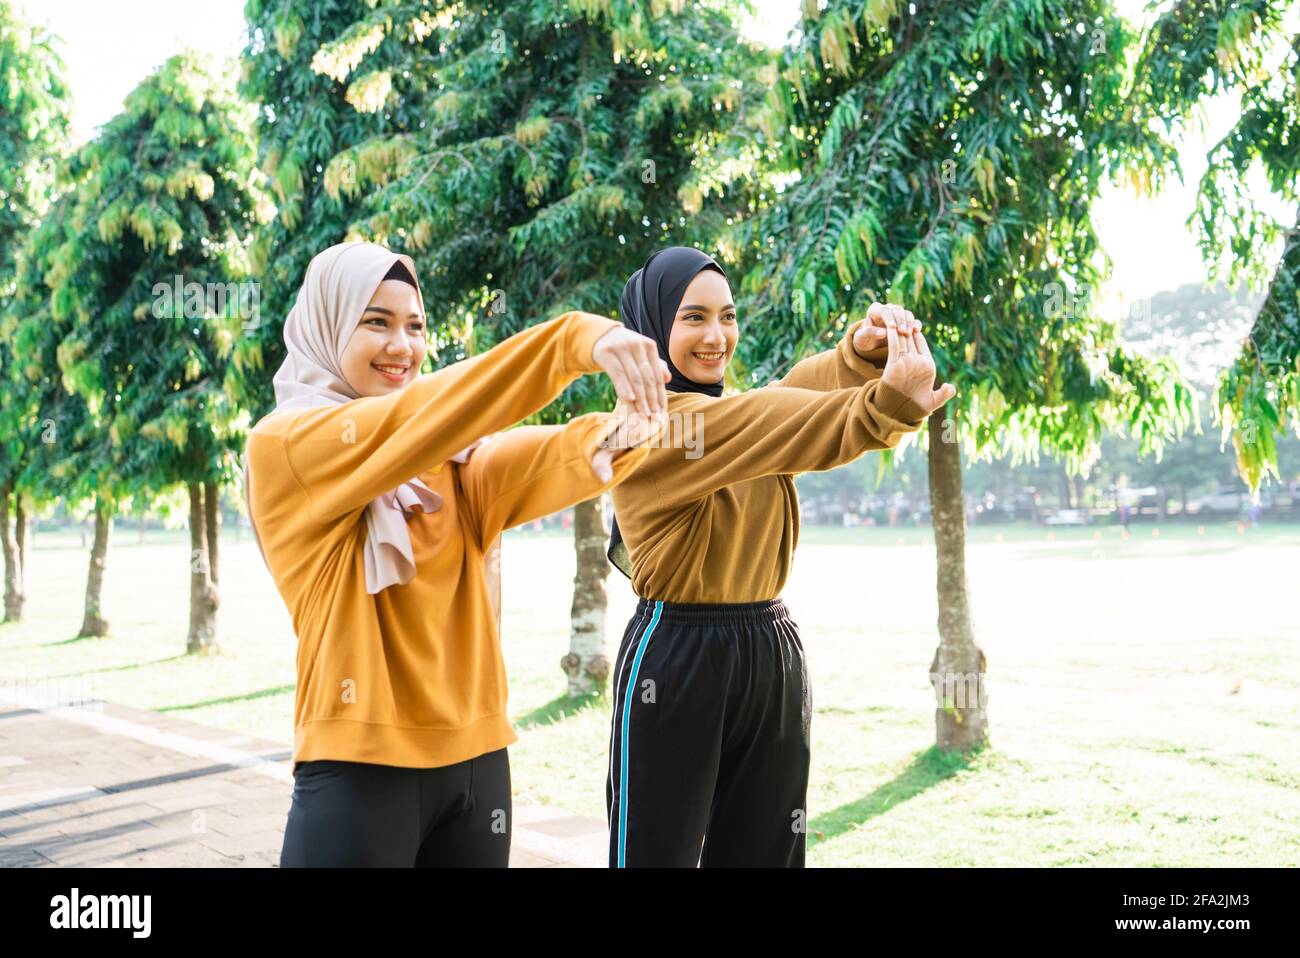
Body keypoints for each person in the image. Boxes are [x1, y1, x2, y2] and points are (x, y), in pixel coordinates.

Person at [243, 241, 669, 866]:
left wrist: (632, 424)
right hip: (361, 770)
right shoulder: (287, 446)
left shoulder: (451, 461)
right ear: (326, 327)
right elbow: (429, 413)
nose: (402, 346)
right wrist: (572, 341)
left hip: (476, 770)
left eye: (415, 326)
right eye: (376, 322)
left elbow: (546, 458)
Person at [603, 246, 956, 867]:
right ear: (651, 329)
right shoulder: (650, 428)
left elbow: (782, 397)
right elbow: (774, 418)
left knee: (766, 851)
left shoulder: (726, 417)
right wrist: (882, 405)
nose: (717, 336)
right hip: (677, 655)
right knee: (656, 854)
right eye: (692, 318)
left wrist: (861, 355)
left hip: (769, 643)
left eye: (727, 316)